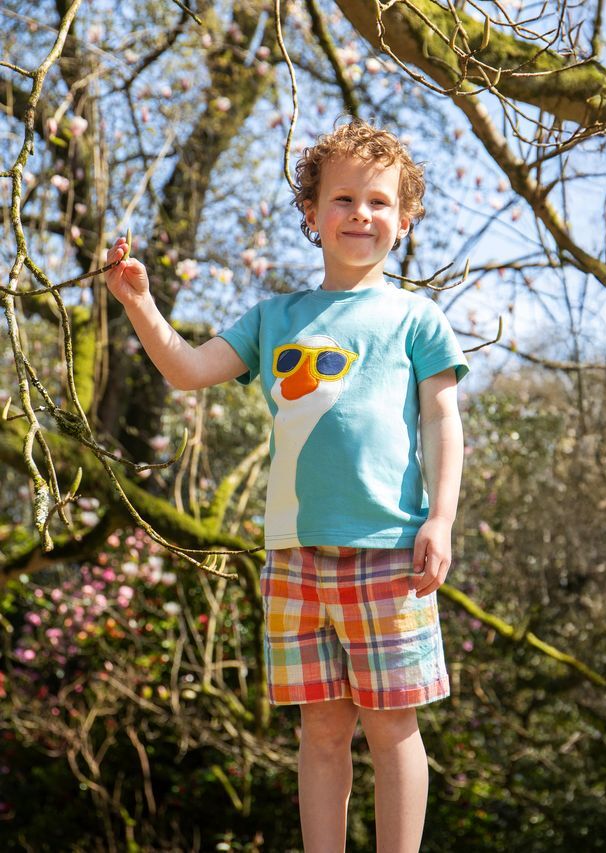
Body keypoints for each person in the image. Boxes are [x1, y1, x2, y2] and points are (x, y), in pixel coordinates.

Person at [105, 119, 470, 853]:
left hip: (389, 550)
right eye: (343, 199)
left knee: (392, 725)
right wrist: (139, 302)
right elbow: (188, 370)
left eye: (378, 201)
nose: (360, 213)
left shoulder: (416, 318)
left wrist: (441, 519)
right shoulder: (275, 317)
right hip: (294, 555)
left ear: (404, 220)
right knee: (321, 730)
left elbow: (441, 420)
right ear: (311, 213)